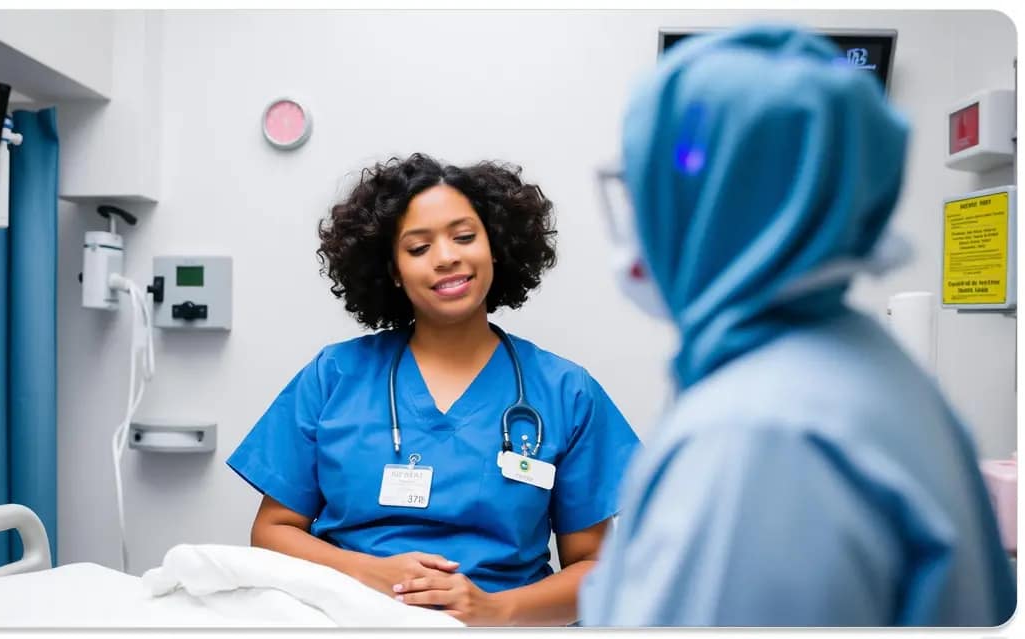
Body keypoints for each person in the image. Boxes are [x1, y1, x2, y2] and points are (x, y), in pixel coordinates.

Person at [579, 25, 1016, 626]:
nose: (637, 223)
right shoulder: (861, 361)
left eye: (650, 190)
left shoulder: (758, 438)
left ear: (718, 210)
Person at [228, 153, 640, 626]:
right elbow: (272, 531)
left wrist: (495, 611)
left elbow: (595, 567)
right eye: (419, 247)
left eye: (464, 237)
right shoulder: (335, 375)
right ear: (393, 270)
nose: (446, 257)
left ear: (495, 247)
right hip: (348, 618)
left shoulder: (565, 392)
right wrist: (367, 573)